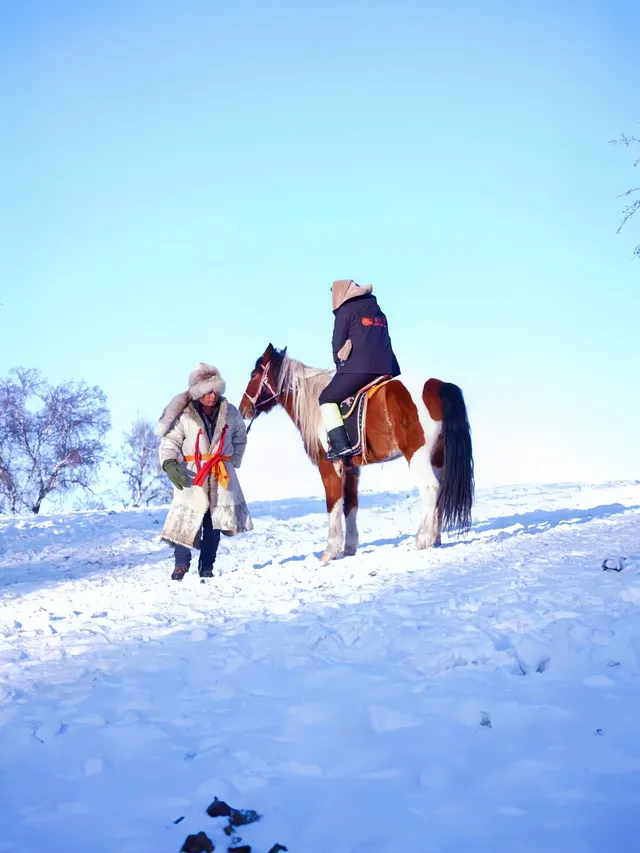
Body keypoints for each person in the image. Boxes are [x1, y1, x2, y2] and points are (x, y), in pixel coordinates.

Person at [155, 363, 253, 580]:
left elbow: (240, 437)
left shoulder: (230, 412)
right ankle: (181, 564)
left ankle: (207, 565)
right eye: (208, 391)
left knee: (213, 523)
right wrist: (170, 463)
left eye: (216, 391)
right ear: (198, 392)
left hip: (219, 473)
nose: (212, 396)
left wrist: (232, 461)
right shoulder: (185, 415)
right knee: (186, 519)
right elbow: (170, 441)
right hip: (192, 474)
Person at [319, 280, 401, 461]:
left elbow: (337, 346)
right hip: (388, 368)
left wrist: (340, 365)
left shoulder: (345, 310)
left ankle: (340, 446)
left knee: (326, 398)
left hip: (360, 369)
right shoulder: (377, 309)